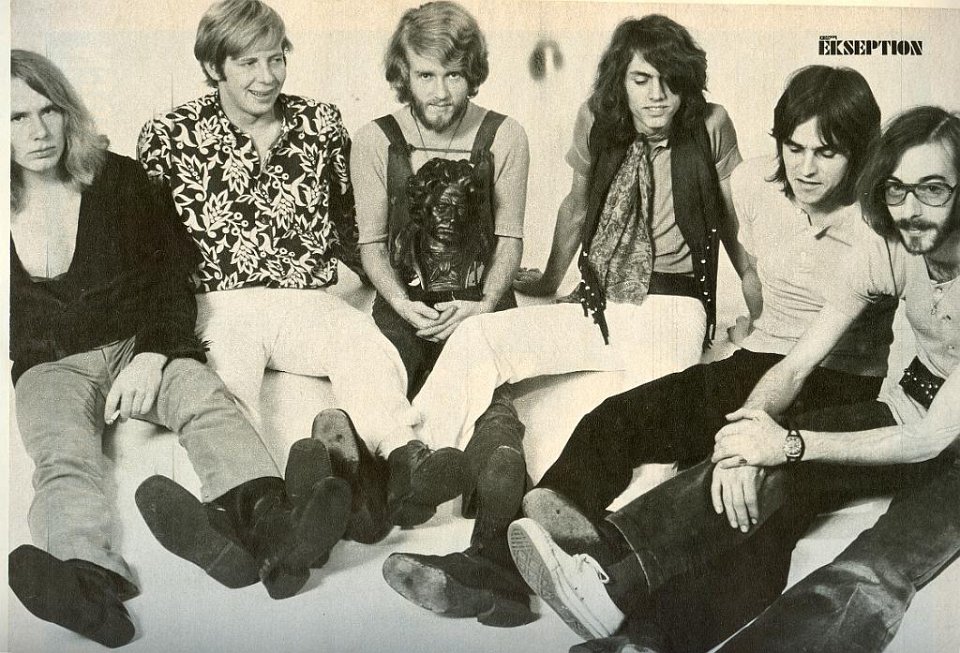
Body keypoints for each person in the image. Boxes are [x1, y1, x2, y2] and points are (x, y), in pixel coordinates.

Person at [508, 106, 960, 653]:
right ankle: (615, 587)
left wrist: (788, 444)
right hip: (904, 408)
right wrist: (750, 435)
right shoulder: (890, 246)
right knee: (758, 472)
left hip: (949, 448)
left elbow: (932, 437)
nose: (910, 209)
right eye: (897, 189)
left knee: (870, 572)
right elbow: (796, 363)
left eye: (933, 189)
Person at [382, 14, 748, 627]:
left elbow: (735, 224)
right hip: (598, 301)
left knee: (640, 439)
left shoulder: (711, 124)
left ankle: (512, 562)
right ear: (620, 80)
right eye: (642, 79)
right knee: (479, 335)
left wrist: (759, 316)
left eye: (670, 81)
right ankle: (413, 466)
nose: (657, 96)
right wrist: (552, 280)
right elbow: (576, 206)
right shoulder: (597, 119)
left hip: (674, 308)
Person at [7, 49, 349, 648]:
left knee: (205, 398)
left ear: (67, 112)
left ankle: (272, 526)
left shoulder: (117, 180)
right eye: (15, 117)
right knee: (62, 460)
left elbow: (171, 275)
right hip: (50, 365)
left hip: (138, 342)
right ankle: (88, 585)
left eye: (48, 111)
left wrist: (154, 354)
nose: (38, 132)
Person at [137, 0, 461, 548]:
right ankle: (265, 512)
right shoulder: (168, 135)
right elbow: (150, 246)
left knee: (365, 346)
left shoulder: (320, 122)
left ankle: (405, 466)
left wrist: (395, 282)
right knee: (227, 383)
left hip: (304, 297)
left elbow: (351, 221)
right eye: (248, 63)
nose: (267, 77)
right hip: (220, 302)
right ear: (214, 66)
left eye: (276, 59)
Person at [344, 0, 529, 551]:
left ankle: (498, 475)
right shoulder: (374, 139)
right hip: (404, 300)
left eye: (454, 74)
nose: (442, 91)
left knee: (490, 395)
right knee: (379, 380)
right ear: (403, 74)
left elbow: (510, 239)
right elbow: (372, 245)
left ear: (472, 72)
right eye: (426, 75)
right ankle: (369, 486)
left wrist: (483, 305)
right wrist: (404, 306)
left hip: (479, 301)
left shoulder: (505, 134)